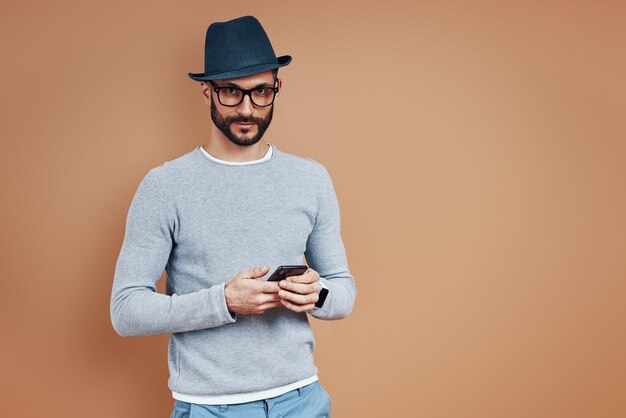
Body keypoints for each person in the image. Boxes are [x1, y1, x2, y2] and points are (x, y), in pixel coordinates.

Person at [110, 15, 356, 418]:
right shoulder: (164, 185)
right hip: (212, 408)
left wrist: (318, 294)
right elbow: (125, 309)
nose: (247, 108)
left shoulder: (310, 178)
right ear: (206, 92)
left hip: (302, 401)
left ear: (278, 88)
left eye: (260, 91)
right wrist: (223, 301)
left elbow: (343, 290)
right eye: (231, 92)